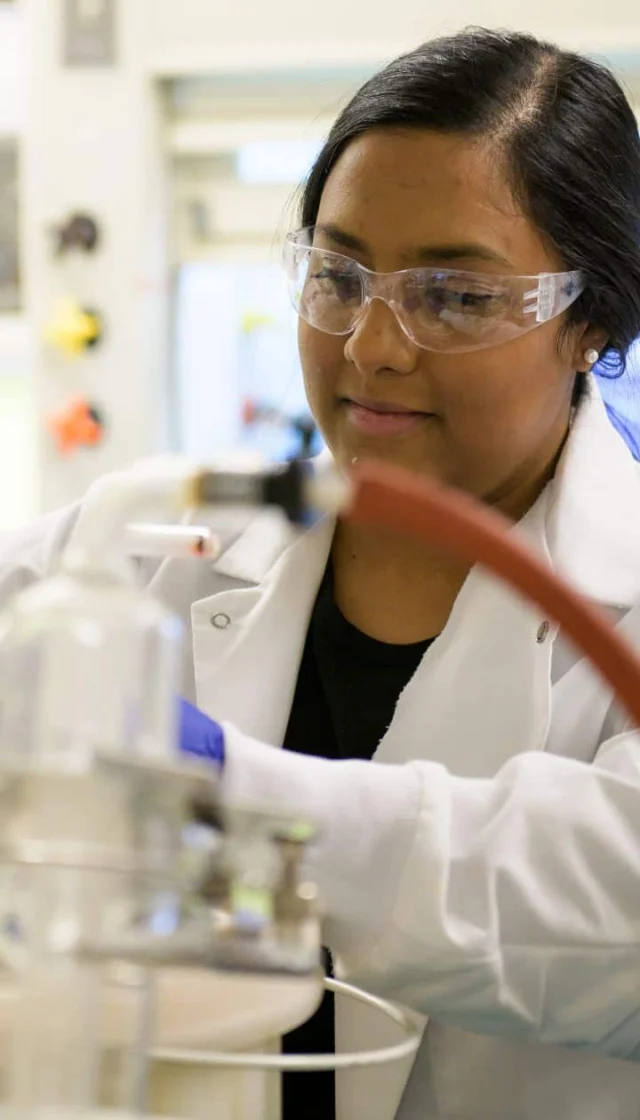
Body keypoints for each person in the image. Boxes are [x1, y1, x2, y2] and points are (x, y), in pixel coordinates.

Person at [3, 25, 640, 1120]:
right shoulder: (140, 545)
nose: (371, 346)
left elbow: (591, 906)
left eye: (455, 295)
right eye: (338, 275)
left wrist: (220, 790)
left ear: (589, 320)